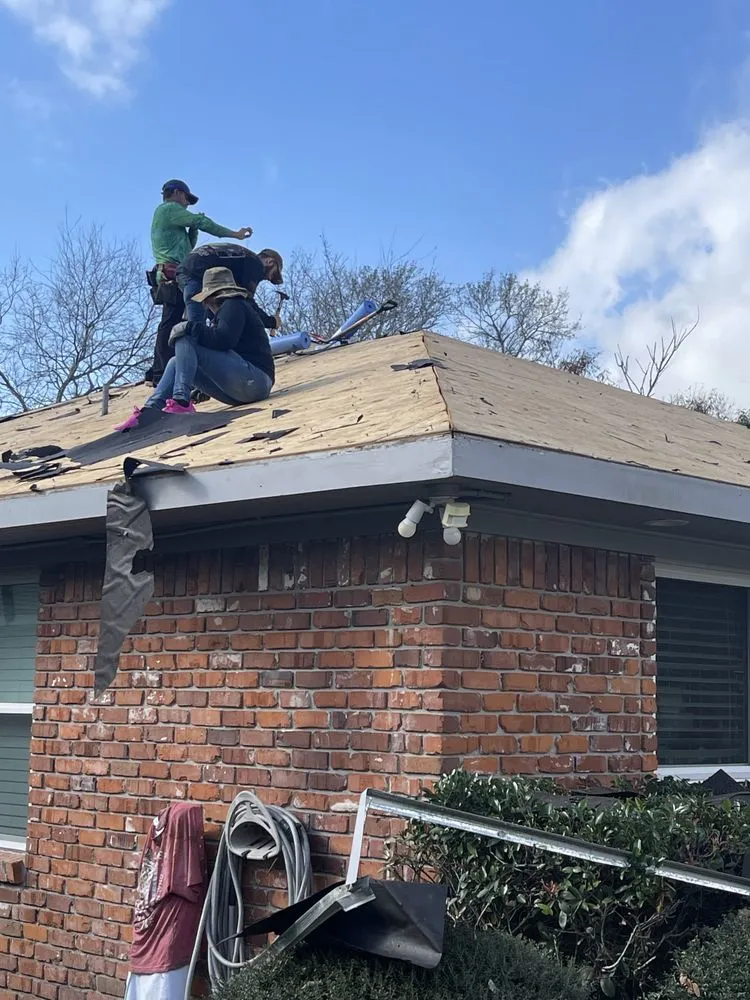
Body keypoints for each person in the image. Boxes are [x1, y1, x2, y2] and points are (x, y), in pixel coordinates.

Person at [116, 267, 275, 431]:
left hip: (256, 380)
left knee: (185, 336)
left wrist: (192, 328)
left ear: (213, 297)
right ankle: (150, 410)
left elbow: (223, 340)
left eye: (206, 300)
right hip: (243, 387)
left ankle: (181, 401)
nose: (205, 305)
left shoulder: (233, 305)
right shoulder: (227, 311)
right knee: (176, 361)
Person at [146, 179, 253, 384]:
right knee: (172, 320)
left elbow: (187, 248)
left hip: (178, 271)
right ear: (176, 193)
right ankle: (160, 371)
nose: (187, 204)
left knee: (176, 318)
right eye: (187, 198)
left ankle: (162, 368)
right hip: (171, 273)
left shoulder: (171, 218)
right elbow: (203, 223)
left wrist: (193, 230)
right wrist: (235, 235)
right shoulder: (168, 209)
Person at [177, 242, 284, 327]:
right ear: (269, 261)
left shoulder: (242, 257)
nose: (269, 278)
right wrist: (270, 322)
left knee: (219, 318)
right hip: (196, 274)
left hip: (185, 270)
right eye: (273, 274)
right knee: (198, 325)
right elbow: (246, 303)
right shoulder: (255, 264)